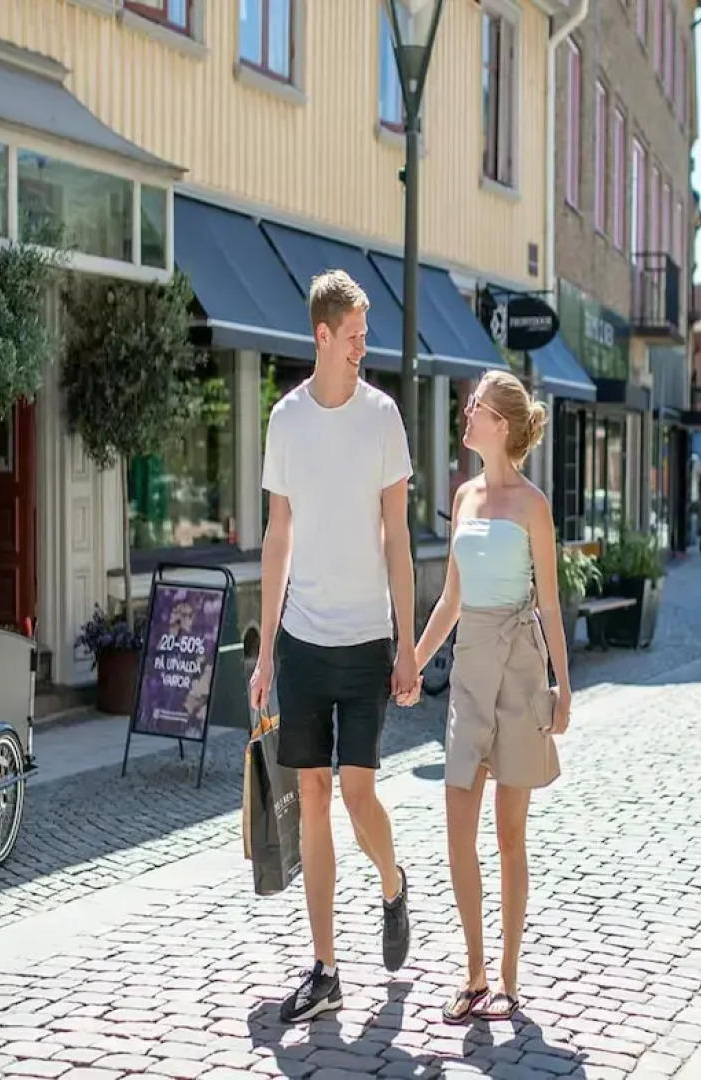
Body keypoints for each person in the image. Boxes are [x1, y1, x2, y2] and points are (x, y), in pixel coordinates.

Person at [250, 269, 419, 1024]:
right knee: (313, 793)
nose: (362, 347)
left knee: (356, 793)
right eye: (353, 336)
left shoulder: (383, 417)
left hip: (367, 637)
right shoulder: (285, 421)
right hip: (303, 641)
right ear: (322, 336)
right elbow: (277, 536)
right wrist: (264, 654)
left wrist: (408, 644)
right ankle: (325, 968)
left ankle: (392, 882)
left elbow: (398, 538)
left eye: (364, 335)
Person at [408, 370, 571, 1025]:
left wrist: (563, 686)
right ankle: (473, 972)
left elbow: (550, 604)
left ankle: (506, 977)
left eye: (474, 406)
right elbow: (451, 599)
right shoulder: (464, 497)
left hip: (522, 671)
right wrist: (412, 663)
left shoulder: (533, 505)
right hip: (471, 670)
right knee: (458, 833)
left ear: (500, 424)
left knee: (509, 834)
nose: (465, 413)